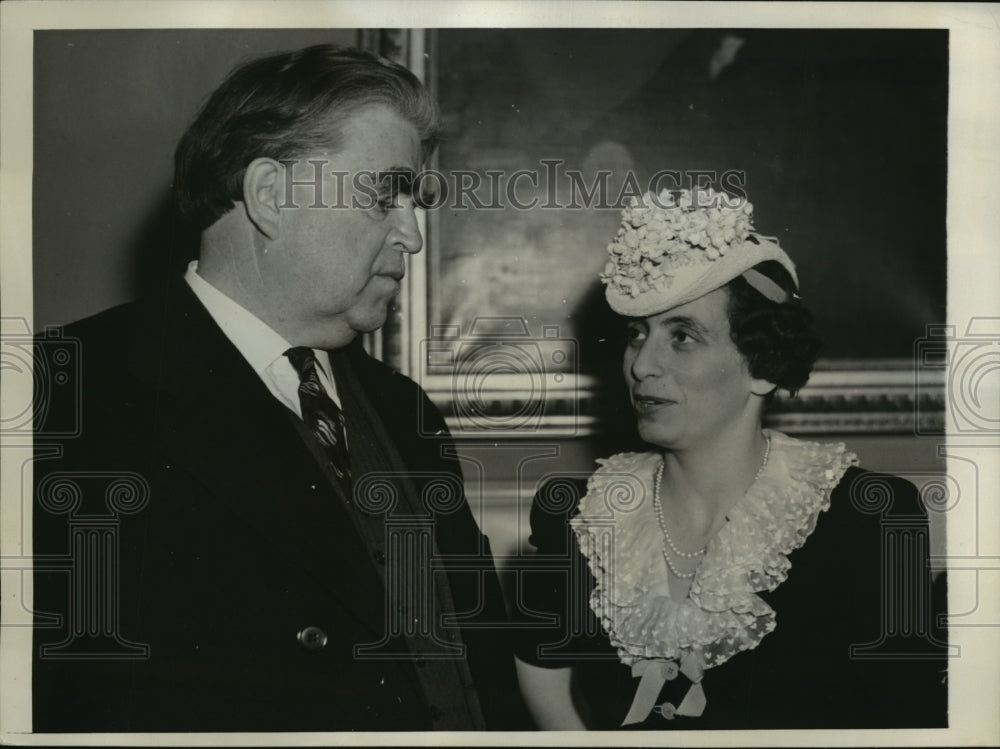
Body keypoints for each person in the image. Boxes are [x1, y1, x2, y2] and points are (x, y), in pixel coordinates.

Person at [32, 44, 527, 732]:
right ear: (270, 195)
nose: (412, 235)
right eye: (384, 194)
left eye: (414, 199)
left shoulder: (401, 408)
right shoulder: (63, 393)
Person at [512, 187, 948, 729]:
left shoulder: (870, 517)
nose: (642, 365)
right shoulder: (579, 513)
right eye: (636, 334)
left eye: (684, 336)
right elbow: (540, 669)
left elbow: (909, 719)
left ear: (762, 366)